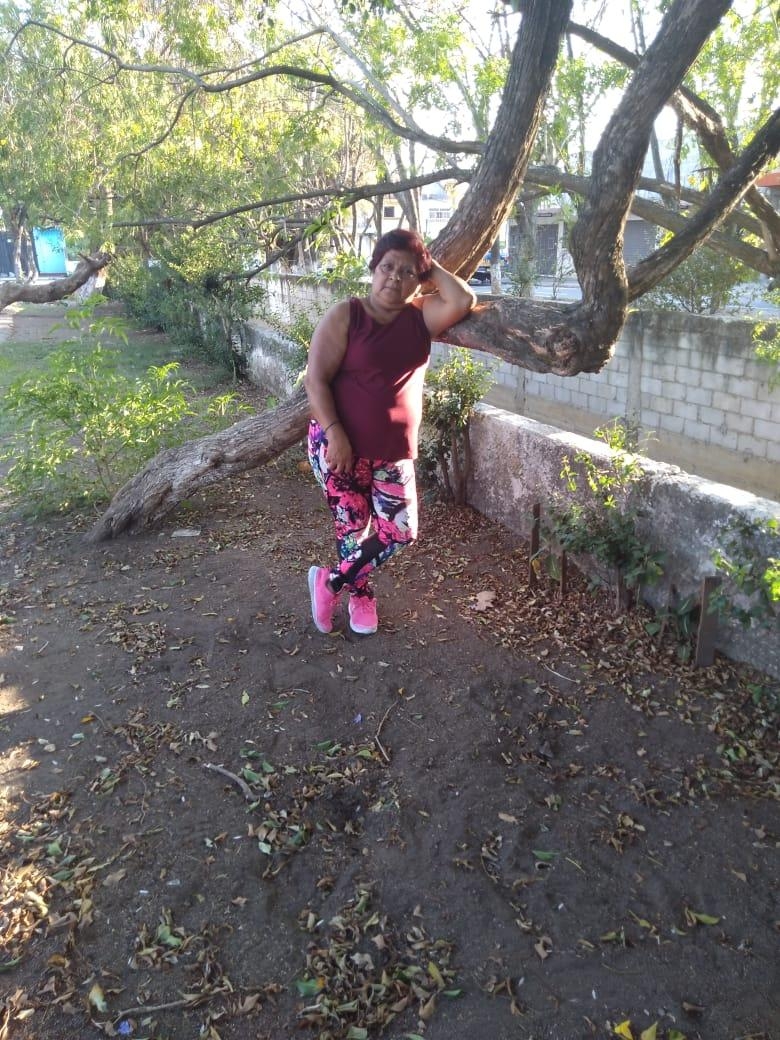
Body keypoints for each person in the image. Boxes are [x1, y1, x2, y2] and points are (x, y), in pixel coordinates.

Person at [304, 228, 476, 636]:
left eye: (406, 272)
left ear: (419, 279)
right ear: (373, 269)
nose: (394, 278)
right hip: (339, 447)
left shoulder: (420, 318)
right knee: (353, 530)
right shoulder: (347, 315)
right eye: (387, 267)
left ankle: (329, 583)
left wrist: (429, 264)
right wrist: (335, 433)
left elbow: (462, 300)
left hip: (393, 451)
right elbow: (315, 380)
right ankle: (361, 596)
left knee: (400, 531)